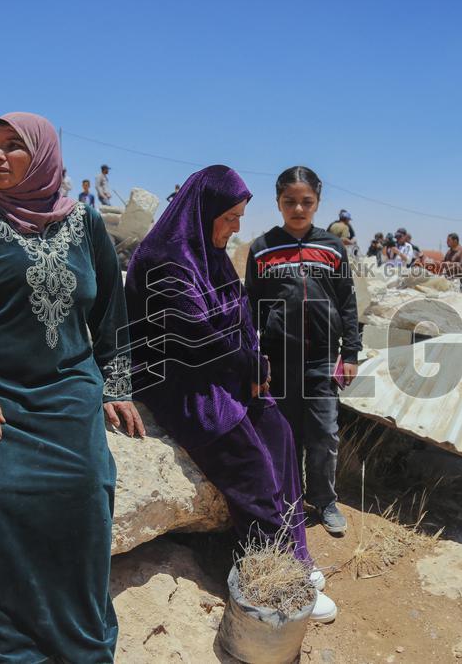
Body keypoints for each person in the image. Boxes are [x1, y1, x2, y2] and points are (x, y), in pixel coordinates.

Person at [0, 112, 144, 661]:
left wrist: (115, 384)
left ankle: (80, 641)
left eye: (14, 147)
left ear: (42, 155)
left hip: (65, 388)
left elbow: (111, 307)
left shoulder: (84, 223)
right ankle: (13, 648)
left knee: (86, 492)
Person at [125, 165, 337, 623]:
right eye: (230, 217)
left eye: (241, 216)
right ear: (204, 212)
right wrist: (246, 365)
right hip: (179, 380)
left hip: (221, 369)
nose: (237, 226)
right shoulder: (164, 258)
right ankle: (274, 581)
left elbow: (239, 317)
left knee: (279, 434)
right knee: (250, 464)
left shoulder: (212, 252)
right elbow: (193, 335)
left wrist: (256, 364)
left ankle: (295, 555)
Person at [245, 166, 361, 536]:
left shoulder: (331, 246)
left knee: (324, 433)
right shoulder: (263, 248)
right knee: (286, 433)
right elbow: (252, 307)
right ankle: (290, 502)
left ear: (318, 202)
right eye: (289, 202)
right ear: (278, 202)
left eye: (306, 202)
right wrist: (253, 357)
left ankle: (324, 501)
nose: (298, 209)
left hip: (323, 360)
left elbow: (347, 302)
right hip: (278, 363)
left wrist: (352, 354)